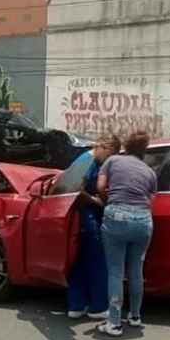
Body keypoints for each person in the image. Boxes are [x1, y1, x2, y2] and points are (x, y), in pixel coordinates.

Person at [95, 130, 158, 337]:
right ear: (144, 149)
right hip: (143, 222)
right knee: (136, 269)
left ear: (126, 146)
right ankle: (135, 316)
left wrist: (108, 200)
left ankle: (113, 323)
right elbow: (151, 202)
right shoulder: (150, 172)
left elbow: (100, 186)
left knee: (115, 271)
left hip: (117, 217)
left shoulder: (112, 161)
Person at [66, 134, 121, 320]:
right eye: (111, 155)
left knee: (81, 262)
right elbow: (76, 189)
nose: (110, 160)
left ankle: (77, 305)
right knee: (97, 261)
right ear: (103, 147)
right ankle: (98, 307)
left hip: (83, 217)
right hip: (86, 216)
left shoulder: (91, 161)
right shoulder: (87, 161)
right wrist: (97, 202)